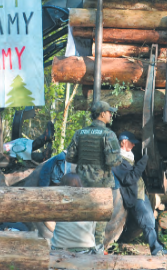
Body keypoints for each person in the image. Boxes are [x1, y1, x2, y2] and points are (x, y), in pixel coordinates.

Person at [66, 100, 122, 249]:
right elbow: (114, 161)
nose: (110, 114)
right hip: (101, 187)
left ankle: (79, 251)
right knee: (98, 226)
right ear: (102, 114)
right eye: (109, 112)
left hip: (81, 185)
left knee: (82, 221)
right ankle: (96, 255)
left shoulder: (80, 133)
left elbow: (70, 157)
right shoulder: (108, 134)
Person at [112, 132, 167, 256]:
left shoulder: (128, 156)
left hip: (140, 194)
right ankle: (156, 251)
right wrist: (142, 163)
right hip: (133, 197)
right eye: (131, 142)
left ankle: (159, 247)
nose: (133, 145)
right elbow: (129, 179)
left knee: (151, 222)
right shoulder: (117, 160)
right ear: (123, 142)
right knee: (148, 223)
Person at [50, 173, 98, 254]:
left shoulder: (57, 202)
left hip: (59, 248)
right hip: (85, 249)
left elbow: (47, 221)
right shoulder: (90, 203)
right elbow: (93, 227)